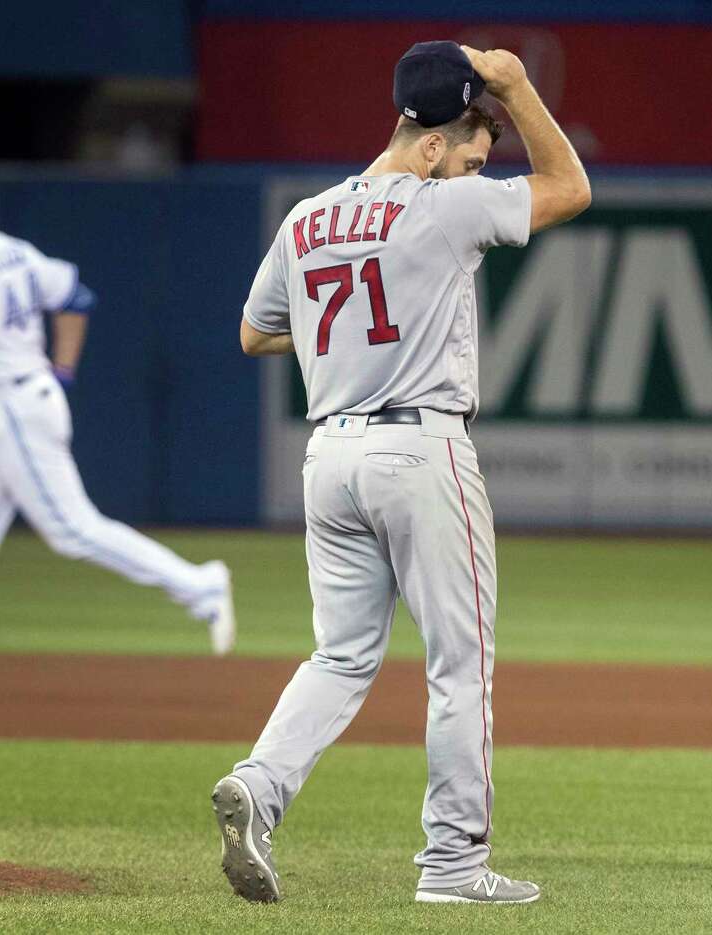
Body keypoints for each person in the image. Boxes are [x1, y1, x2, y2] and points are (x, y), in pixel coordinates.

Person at [210, 42, 590, 904]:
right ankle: (454, 866)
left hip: (328, 455)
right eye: (467, 153)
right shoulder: (442, 207)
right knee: (461, 663)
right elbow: (570, 187)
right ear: (428, 146)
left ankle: (259, 786)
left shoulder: (305, 218)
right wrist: (519, 87)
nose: (470, 170)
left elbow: (254, 332)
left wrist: (341, 343)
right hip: (419, 451)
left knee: (341, 655)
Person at [0, 174, 236, 698]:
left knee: (73, 530)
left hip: (10, 408)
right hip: (18, 402)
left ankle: (199, 586)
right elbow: (77, 297)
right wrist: (62, 369)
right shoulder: (16, 252)